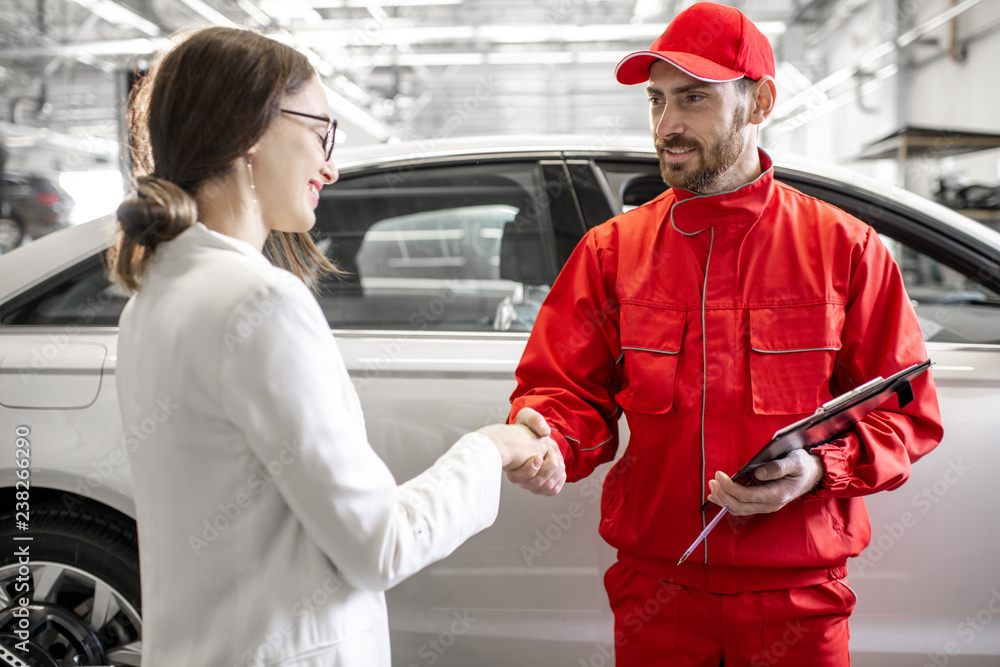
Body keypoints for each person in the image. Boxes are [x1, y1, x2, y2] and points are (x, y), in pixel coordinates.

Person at [506, 2, 944, 664]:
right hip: (659, 593)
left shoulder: (845, 250)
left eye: (693, 99)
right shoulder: (611, 253)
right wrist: (549, 442)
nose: (667, 126)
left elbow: (908, 415)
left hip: (797, 596)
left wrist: (814, 468)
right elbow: (564, 392)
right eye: (656, 102)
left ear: (759, 100)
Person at [110, 26, 554, 667]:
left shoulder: (150, 300)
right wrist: (491, 448)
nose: (331, 164)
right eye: (322, 132)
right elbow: (380, 545)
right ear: (252, 130)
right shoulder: (260, 303)